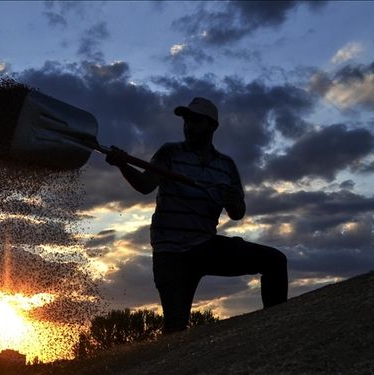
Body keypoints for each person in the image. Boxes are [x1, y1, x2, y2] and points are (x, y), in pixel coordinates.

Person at [105, 97, 288, 333]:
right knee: (175, 331)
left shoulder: (226, 166)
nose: (189, 126)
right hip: (171, 254)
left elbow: (237, 213)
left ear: (212, 126)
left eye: (196, 121)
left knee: (274, 261)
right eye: (187, 120)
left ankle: (276, 331)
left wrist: (233, 202)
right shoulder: (169, 153)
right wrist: (122, 164)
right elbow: (144, 184)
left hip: (205, 246)